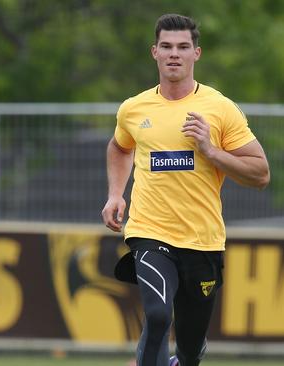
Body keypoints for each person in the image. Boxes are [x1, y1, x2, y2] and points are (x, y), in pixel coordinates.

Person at [101, 14, 270, 366]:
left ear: (197, 53)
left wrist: (211, 150)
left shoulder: (220, 109)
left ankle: (188, 355)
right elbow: (120, 147)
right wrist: (116, 194)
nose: (173, 54)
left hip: (202, 240)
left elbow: (260, 173)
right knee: (159, 317)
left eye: (182, 47)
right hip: (150, 231)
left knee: (190, 350)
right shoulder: (134, 109)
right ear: (154, 52)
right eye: (166, 47)